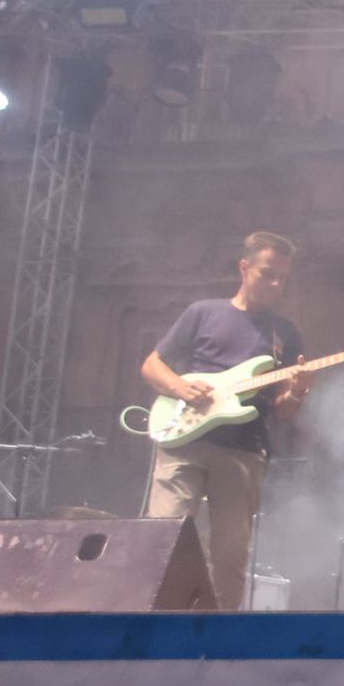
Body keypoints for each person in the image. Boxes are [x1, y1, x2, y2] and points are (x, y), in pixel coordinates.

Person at [141, 231, 310, 609]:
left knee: (230, 555)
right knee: (163, 539)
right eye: (268, 273)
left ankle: (219, 639)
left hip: (243, 450)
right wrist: (179, 388)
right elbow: (152, 365)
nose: (276, 284)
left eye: (283, 277)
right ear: (244, 267)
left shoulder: (284, 334)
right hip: (184, 440)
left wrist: (297, 390)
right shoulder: (203, 312)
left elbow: (283, 408)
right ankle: (157, 630)